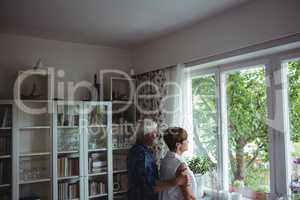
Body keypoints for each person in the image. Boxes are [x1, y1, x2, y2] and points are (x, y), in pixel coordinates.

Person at [127, 119, 188, 200]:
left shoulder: (135, 150)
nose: (156, 135)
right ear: (144, 134)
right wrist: (176, 181)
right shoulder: (142, 155)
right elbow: (149, 187)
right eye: (153, 132)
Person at [159, 127, 197, 200]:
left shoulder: (165, 159)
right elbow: (189, 197)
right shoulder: (180, 164)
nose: (188, 141)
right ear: (178, 145)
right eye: (186, 140)